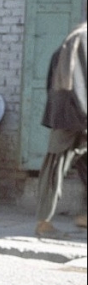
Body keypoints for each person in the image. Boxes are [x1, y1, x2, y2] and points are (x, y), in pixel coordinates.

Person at [35, 22, 87, 238]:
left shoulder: (76, 36)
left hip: (73, 113)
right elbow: (78, 81)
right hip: (73, 114)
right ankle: (43, 221)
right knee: (55, 164)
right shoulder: (81, 38)